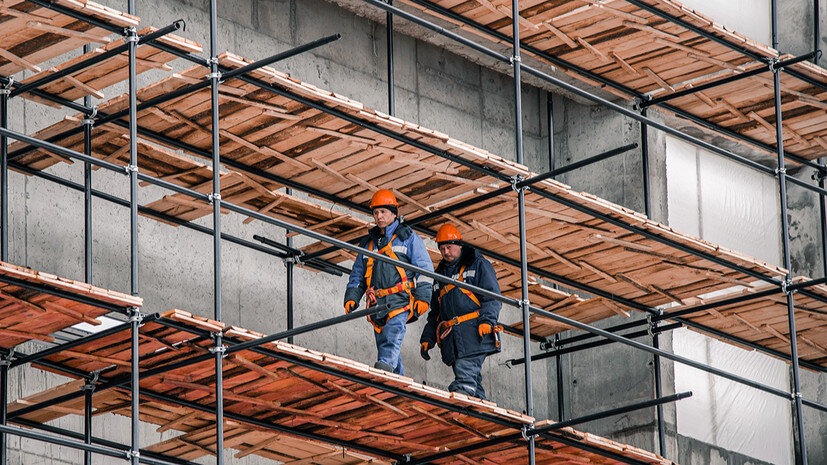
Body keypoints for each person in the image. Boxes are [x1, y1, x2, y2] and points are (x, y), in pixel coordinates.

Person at [344, 189, 434, 375]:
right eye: (376, 213)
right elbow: (358, 274)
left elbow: (424, 269)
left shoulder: (408, 238)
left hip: (400, 300)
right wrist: (352, 296)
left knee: (392, 336)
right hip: (376, 304)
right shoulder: (368, 243)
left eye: (383, 212)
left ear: (394, 213)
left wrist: (423, 297)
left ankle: (385, 366)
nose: (379, 216)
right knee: (385, 340)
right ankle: (396, 378)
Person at [420, 224, 502, 400]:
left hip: (474, 333)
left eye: (449, 247)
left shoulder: (478, 265)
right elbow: (436, 313)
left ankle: (461, 396)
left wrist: (487, 321)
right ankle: (481, 410)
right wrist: (428, 339)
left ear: (459, 245)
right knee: (472, 381)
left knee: (464, 378)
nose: (446, 252)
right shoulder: (439, 276)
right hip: (453, 340)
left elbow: (492, 296)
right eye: (442, 249)